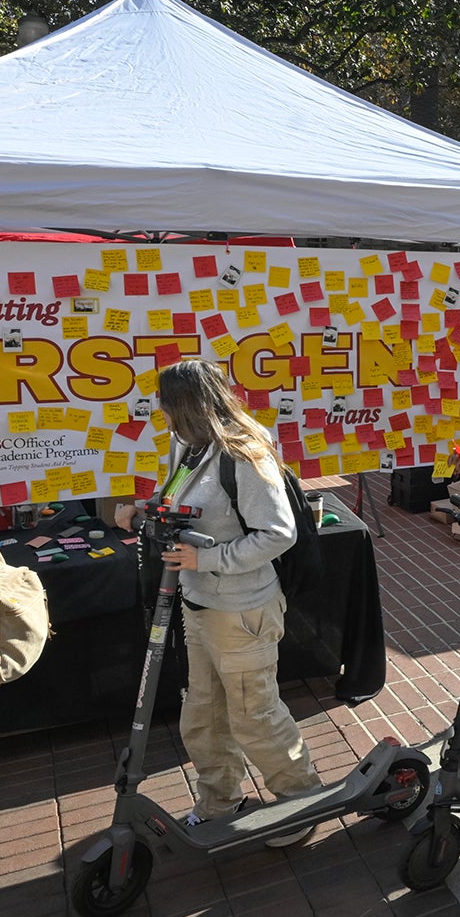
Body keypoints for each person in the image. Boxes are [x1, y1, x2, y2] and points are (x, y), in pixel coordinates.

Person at [100, 360, 322, 844]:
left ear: (182, 406)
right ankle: (220, 800)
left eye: (164, 405)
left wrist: (208, 559)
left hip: (241, 609)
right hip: (198, 603)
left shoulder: (242, 452)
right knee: (203, 713)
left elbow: (278, 534)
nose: (159, 413)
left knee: (254, 715)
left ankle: (300, 803)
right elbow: (178, 496)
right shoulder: (188, 442)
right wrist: (148, 510)